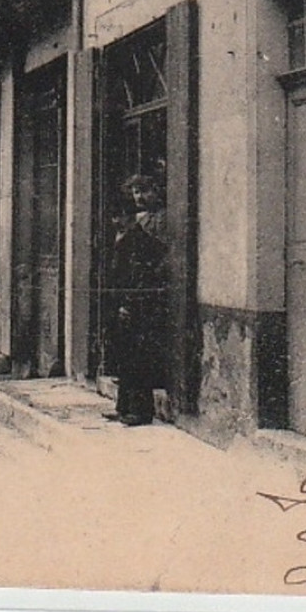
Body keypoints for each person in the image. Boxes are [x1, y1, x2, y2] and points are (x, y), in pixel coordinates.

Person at [104, 173, 170, 426]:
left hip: (139, 305)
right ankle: (123, 407)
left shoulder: (140, 241)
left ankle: (140, 411)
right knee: (126, 357)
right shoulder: (126, 238)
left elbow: (140, 275)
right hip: (127, 304)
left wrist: (128, 303)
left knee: (137, 359)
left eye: (119, 217)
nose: (116, 222)